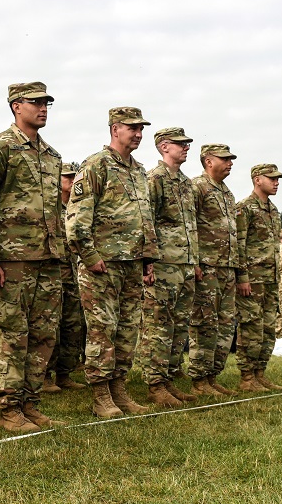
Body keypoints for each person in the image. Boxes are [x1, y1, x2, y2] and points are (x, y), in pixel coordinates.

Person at [0, 82, 67, 432]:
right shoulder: (0, 148)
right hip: (11, 259)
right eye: (36, 102)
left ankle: (31, 401)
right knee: (12, 333)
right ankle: (9, 408)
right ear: (16, 106)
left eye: (47, 103)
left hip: (47, 257)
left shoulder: (52, 155)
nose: (43, 108)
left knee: (43, 335)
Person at [66, 107, 158, 418]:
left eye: (141, 128)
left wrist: (148, 259)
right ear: (114, 129)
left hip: (132, 264)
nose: (138, 134)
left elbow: (145, 219)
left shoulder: (138, 170)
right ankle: (101, 395)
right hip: (102, 265)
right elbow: (77, 217)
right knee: (102, 330)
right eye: (132, 128)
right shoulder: (96, 165)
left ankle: (119, 388)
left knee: (128, 330)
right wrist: (90, 256)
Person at [140, 127, 201, 408]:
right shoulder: (154, 179)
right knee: (158, 325)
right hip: (163, 264)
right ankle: (155, 384)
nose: (186, 147)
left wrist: (195, 261)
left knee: (178, 326)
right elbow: (146, 221)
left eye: (187, 143)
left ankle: (169, 379)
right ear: (164, 147)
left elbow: (191, 226)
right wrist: (148, 261)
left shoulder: (186, 183)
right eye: (180, 144)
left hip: (184, 264)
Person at [187, 144, 241, 396]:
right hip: (207, 267)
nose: (230, 162)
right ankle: (199, 379)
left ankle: (212, 375)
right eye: (225, 159)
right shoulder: (197, 186)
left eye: (231, 159)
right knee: (204, 323)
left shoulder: (226, 193)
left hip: (227, 267)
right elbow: (190, 225)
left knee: (225, 324)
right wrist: (195, 261)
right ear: (209, 161)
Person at [235, 163, 282, 391]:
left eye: (277, 179)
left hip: (270, 278)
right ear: (257, 179)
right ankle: (247, 377)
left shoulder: (273, 210)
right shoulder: (244, 208)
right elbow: (239, 244)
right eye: (272, 178)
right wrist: (242, 277)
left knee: (268, 327)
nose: (276, 183)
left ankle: (260, 372)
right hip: (252, 278)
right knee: (251, 327)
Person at [45, 162, 87, 393]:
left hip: (73, 275)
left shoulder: (75, 208)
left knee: (73, 325)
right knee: (51, 326)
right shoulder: (50, 208)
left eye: (74, 177)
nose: (72, 182)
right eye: (67, 177)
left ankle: (65, 373)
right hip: (54, 274)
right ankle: (45, 376)